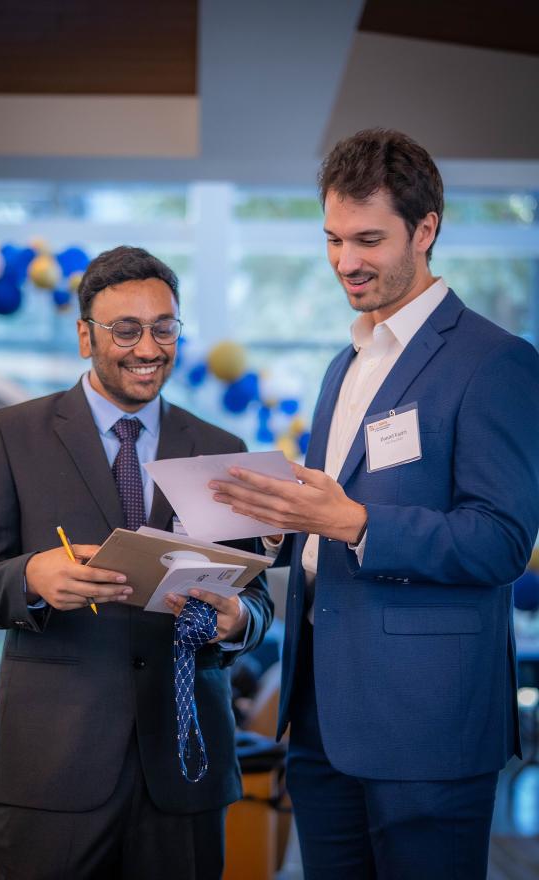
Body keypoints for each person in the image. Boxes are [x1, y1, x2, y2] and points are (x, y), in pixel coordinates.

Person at [209, 129, 539, 880]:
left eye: (367, 239)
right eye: (331, 239)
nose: (344, 262)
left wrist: (353, 521)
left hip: (429, 725)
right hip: (321, 718)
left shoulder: (496, 362)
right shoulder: (345, 365)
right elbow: (322, 526)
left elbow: (500, 542)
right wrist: (263, 518)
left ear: (426, 230)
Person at [0, 245, 273, 880]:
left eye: (164, 328)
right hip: (54, 771)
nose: (148, 348)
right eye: (126, 329)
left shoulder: (222, 448)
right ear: (84, 335)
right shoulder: (10, 434)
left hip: (185, 765)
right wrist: (32, 579)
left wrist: (239, 618)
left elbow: (256, 597)